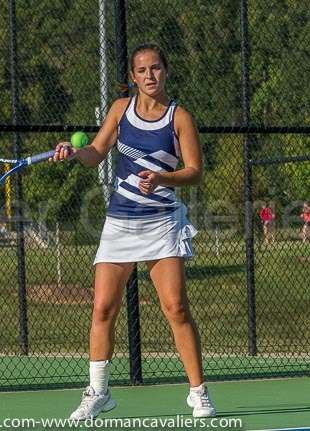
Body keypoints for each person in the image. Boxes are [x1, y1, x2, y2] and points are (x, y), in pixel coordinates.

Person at [51, 43, 215, 420]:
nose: (150, 76)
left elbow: (195, 171)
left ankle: (198, 392)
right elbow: (96, 150)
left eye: (156, 68)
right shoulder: (120, 110)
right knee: (103, 307)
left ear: (166, 71)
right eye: (142, 70)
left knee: (176, 308)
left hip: (161, 222)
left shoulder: (179, 118)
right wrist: (75, 154)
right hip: (120, 222)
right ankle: (98, 393)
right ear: (132, 76)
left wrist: (162, 177)